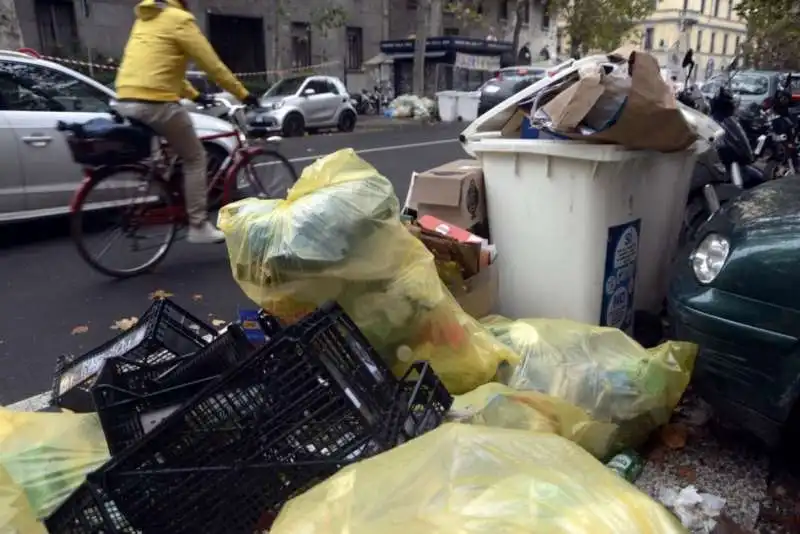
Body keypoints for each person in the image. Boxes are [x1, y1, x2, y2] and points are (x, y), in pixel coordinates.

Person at [114, 0, 260, 244]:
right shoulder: (180, 19)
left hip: (124, 99)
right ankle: (198, 224)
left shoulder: (144, 20)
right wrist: (243, 94)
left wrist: (195, 95)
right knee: (196, 157)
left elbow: (163, 70)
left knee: (171, 152)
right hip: (155, 103)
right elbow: (212, 65)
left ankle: (169, 193)